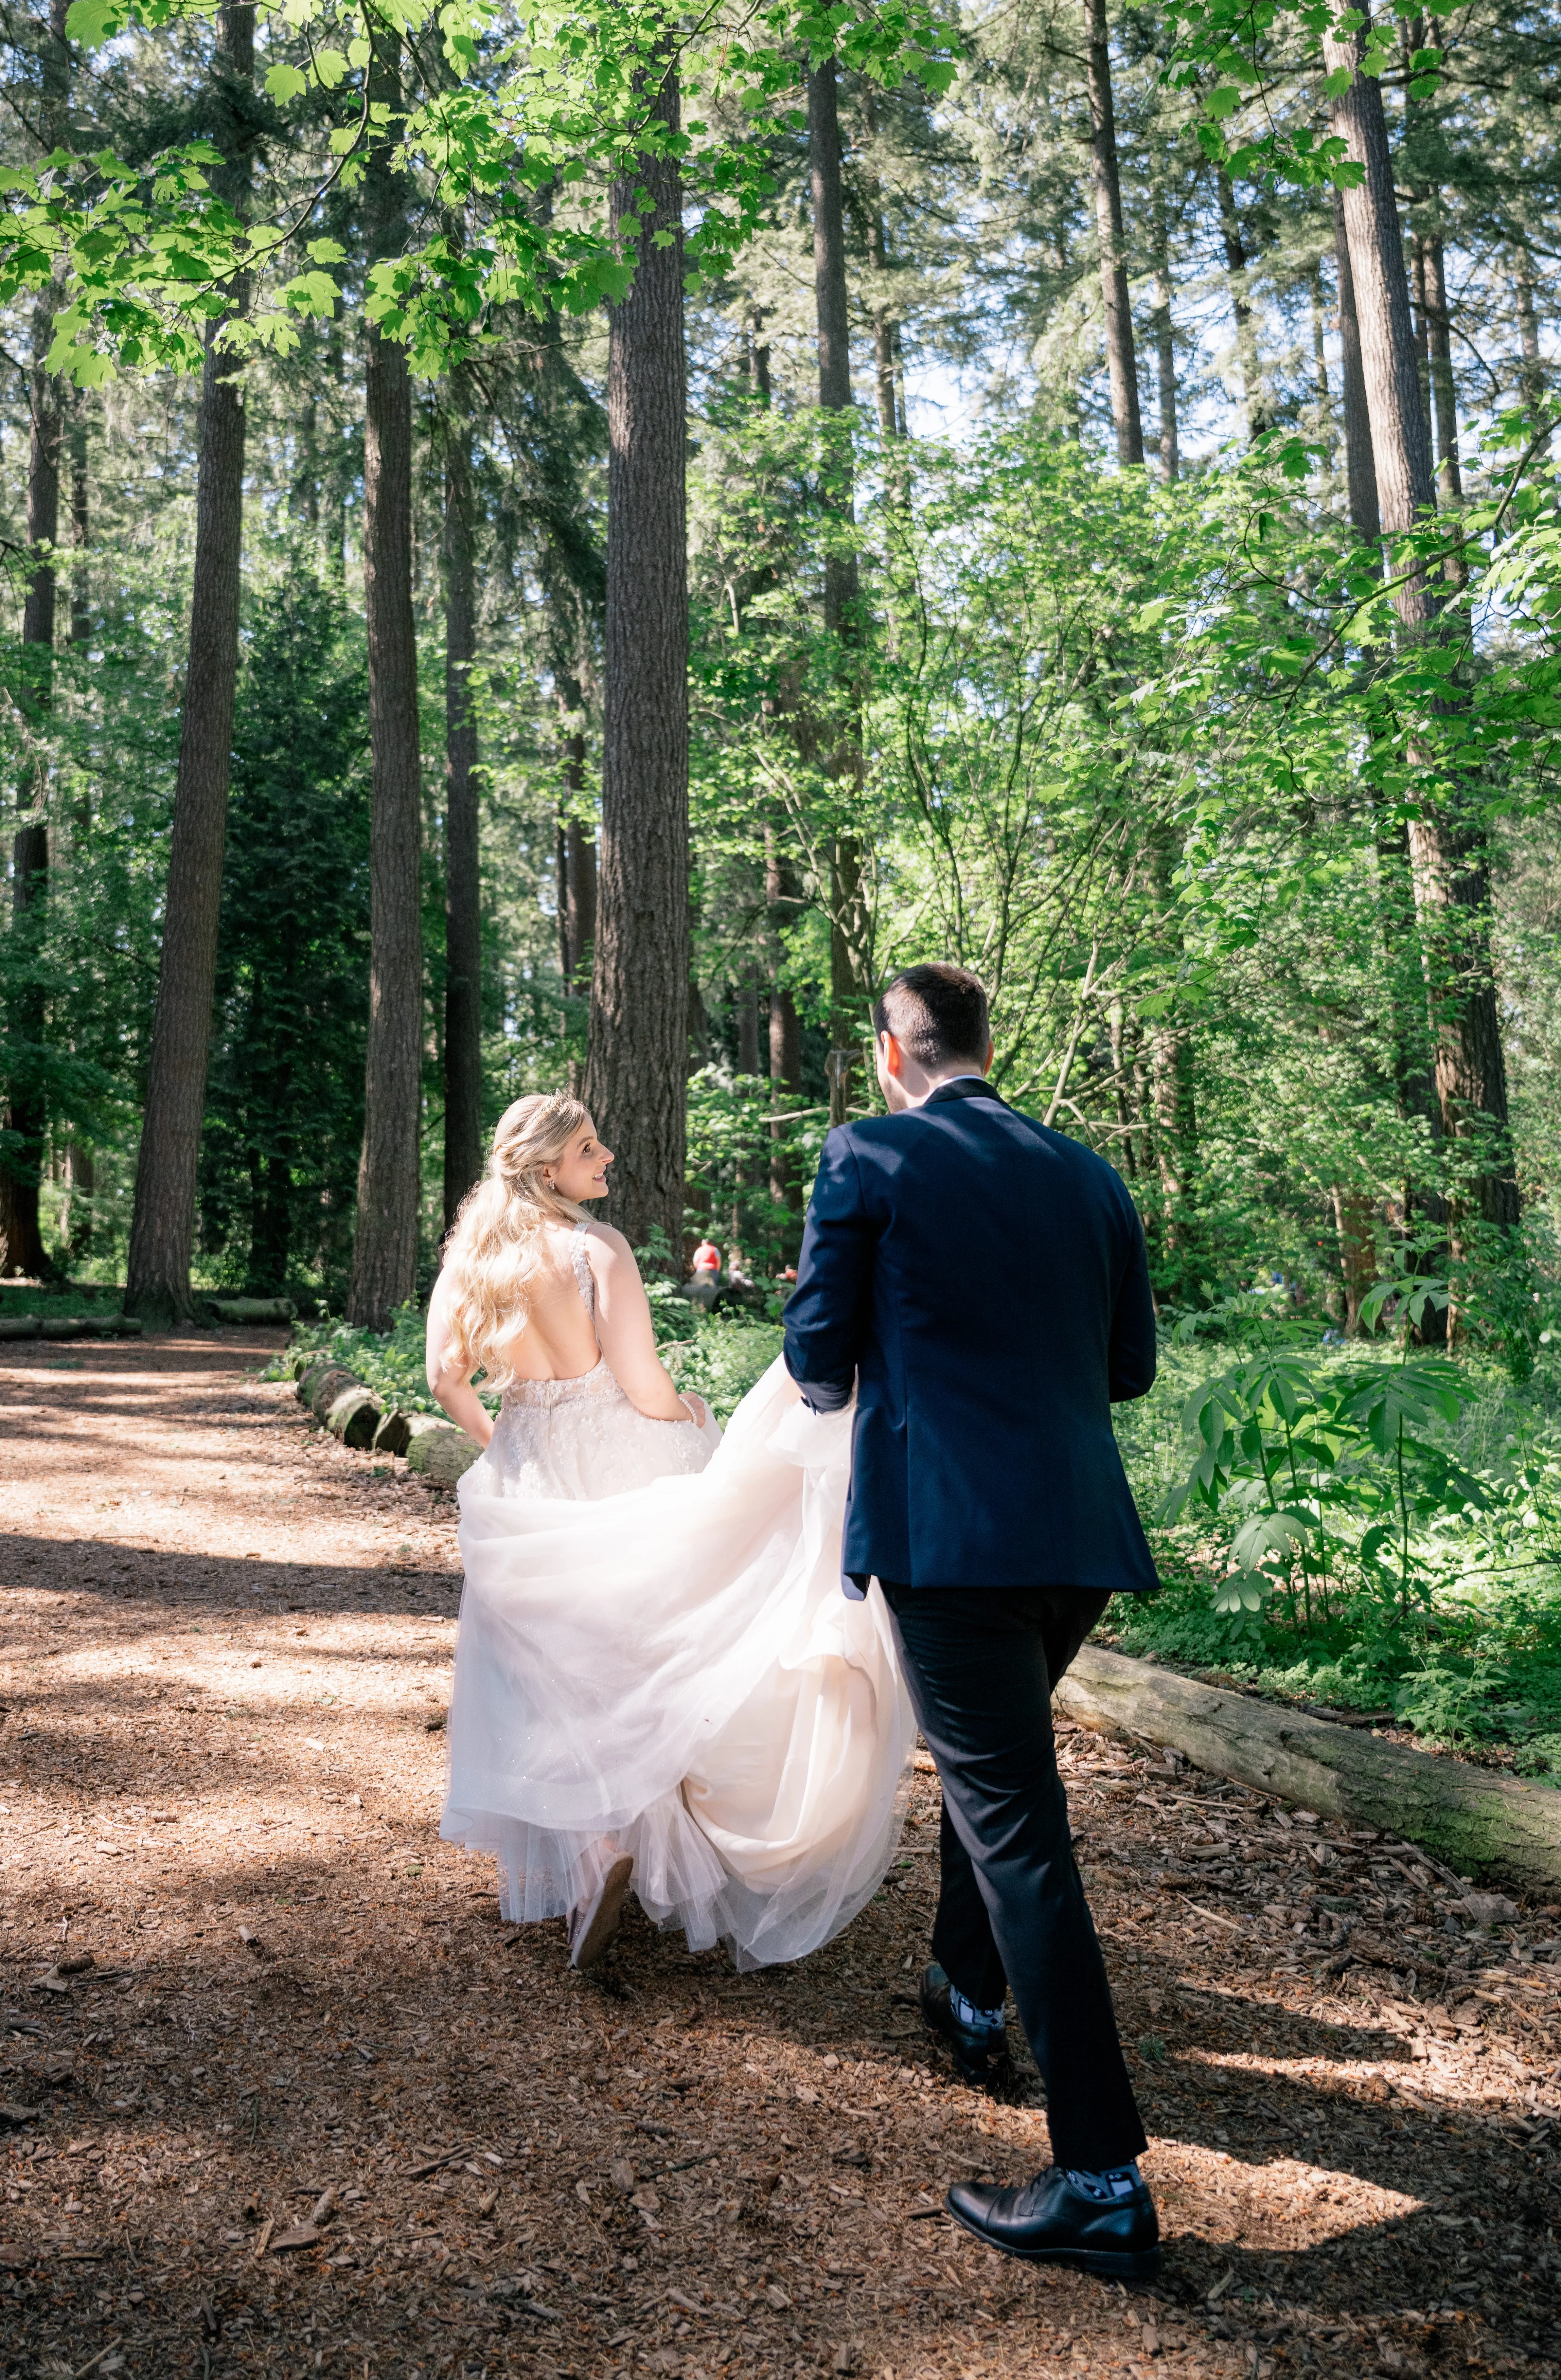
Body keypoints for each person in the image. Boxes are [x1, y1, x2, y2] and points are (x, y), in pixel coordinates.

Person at [782, 963, 1163, 2283]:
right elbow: (1127, 1369)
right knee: (995, 1777)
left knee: (1017, 1823)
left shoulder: (868, 1154)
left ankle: (1101, 2177)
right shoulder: (1090, 1176)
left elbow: (817, 1358)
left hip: (949, 1542)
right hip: (1079, 1541)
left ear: (894, 1052)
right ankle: (963, 1993)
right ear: (983, 1047)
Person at [430, 1092, 914, 1971]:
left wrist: (503, 1446)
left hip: (526, 1461)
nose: (606, 1154)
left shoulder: (474, 1256)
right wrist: (691, 1411)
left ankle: (590, 1857)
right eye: (588, 1147)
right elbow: (643, 1381)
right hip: (616, 1453)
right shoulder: (594, 1251)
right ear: (549, 1169)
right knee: (642, 1646)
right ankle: (632, 1833)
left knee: (540, 1662)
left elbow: (444, 1376)